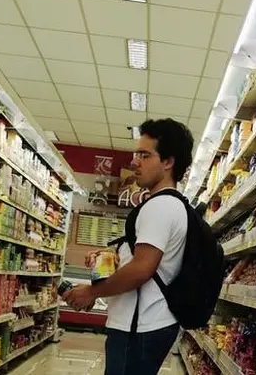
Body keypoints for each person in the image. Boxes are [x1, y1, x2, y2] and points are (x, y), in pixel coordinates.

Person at [63, 118, 194, 375]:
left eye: (144, 155)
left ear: (168, 162)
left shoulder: (161, 206)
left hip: (140, 326)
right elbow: (147, 259)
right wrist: (111, 256)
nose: (134, 161)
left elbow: (141, 269)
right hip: (143, 324)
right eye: (137, 154)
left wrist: (92, 292)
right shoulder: (166, 205)